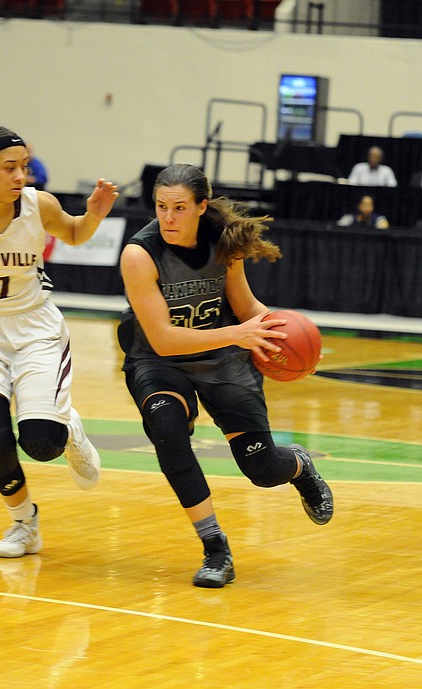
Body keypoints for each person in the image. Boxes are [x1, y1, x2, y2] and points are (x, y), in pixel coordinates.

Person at [117, 163, 333, 589]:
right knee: (167, 430)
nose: (169, 218)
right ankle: (215, 548)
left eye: (180, 207)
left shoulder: (223, 243)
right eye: (161, 207)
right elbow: (162, 339)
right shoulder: (139, 254)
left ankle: (298, 467)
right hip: (160, 360)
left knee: (262, 469)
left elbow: (246, 304)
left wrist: (280, 332)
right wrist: (239, 331)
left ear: (201, 206)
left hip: (224, 360)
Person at [0, 125, 119, 558]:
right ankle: (24, 524)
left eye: (25, 167)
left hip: (35, 330)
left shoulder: (39, 204)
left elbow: (73, 234)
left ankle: (66, 427)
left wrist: (94, 214)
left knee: (40, 444)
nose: (21, 176)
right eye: (10, 168)